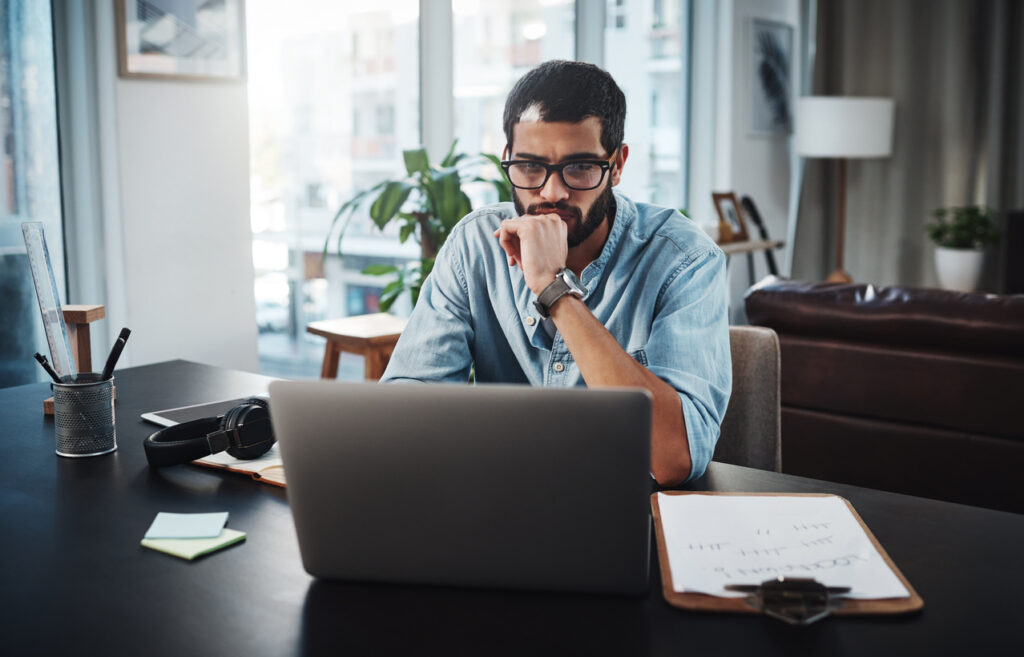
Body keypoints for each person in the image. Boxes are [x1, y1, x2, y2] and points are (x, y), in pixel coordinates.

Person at [381, 60, 731, 485]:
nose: (552, 192)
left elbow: (674, 458)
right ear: (506, 159)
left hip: (625, 518)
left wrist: (554, 289)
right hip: (496, 509)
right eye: (530, 167)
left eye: (580, 167)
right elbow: (403, 416)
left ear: (617, 164)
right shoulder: (474, 246)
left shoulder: (685, 261)